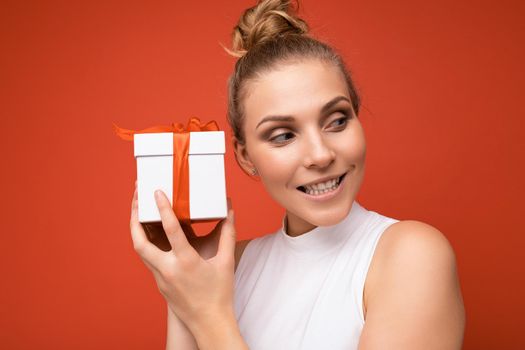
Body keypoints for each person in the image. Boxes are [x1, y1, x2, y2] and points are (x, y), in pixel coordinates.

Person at [129, 0, 466, 349]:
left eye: (336, 121)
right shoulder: (226, 267)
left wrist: (208, 315)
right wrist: (178, 282)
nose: (320, 155)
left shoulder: (411, 255)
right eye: (284, 135)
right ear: (246, 158)